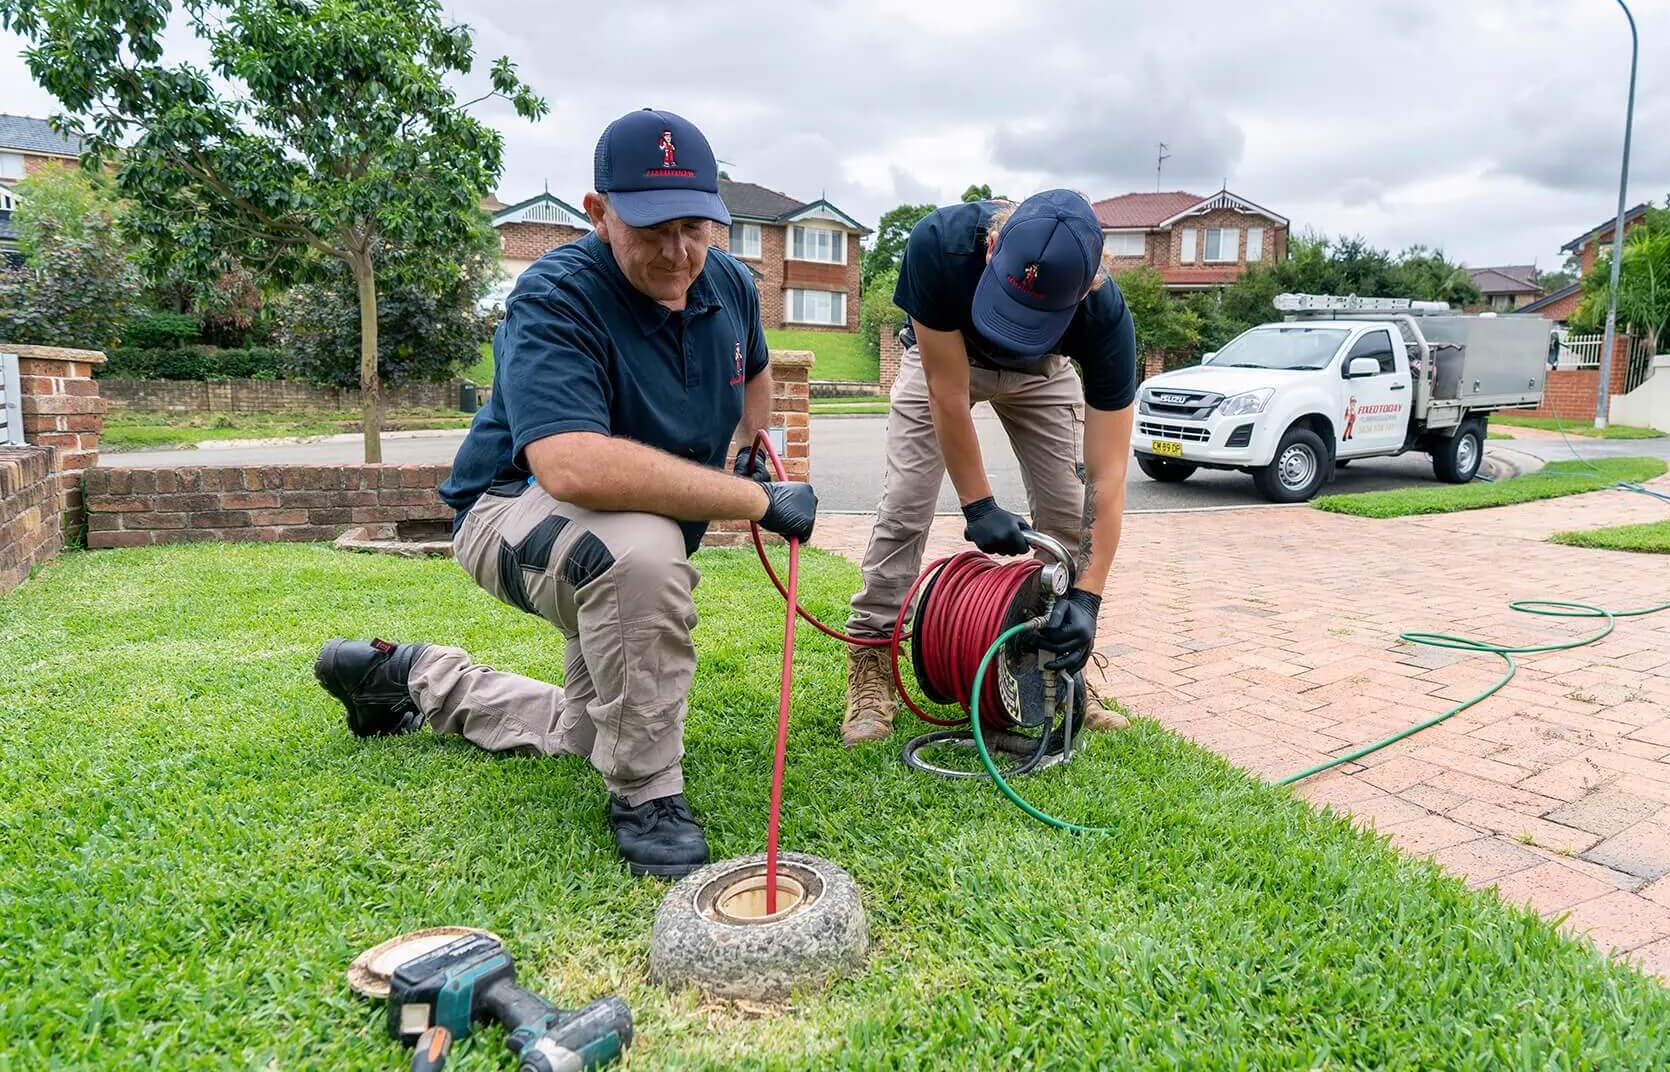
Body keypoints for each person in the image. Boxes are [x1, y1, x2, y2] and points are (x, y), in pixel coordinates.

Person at [309, 109, 816, 879]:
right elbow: (571, 467)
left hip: (614, 533)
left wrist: (750, 450)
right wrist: (751, 501)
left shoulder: (730, 283)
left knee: (589, 731)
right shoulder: (555, 296)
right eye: (653, 228)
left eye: (696, 227)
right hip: (508, 512)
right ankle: (647, 794)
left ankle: (406, 678)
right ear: (598, 212)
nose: (680, 253)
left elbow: (755, 370)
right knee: (646, 559)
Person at [841, 190, 1138, 745]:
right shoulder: (940, 245)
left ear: (1089, 286)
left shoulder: (1105, 319)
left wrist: (1088, 597)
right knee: (906, 503)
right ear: (992, 246)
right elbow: (946, 393)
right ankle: (871, 656)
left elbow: (1108, 475)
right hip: (945, 359)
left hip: (1043, 374)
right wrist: (978, 504)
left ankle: (1058, 665)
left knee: (1069, 512)